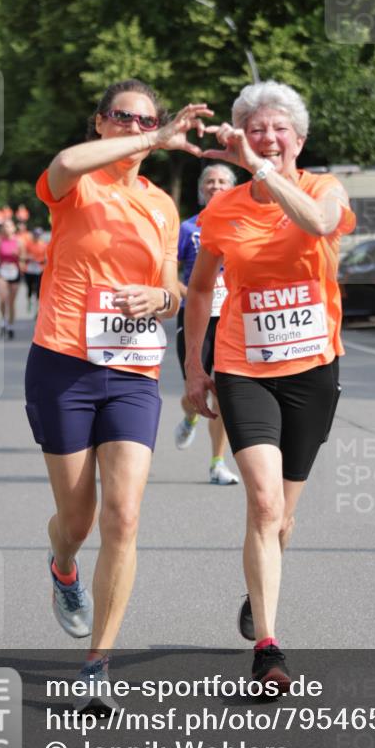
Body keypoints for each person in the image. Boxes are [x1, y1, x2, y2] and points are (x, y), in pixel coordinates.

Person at [24, 79, 211, 706]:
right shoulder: (78, 184)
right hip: (63, 366)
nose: (138, 128)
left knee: (123, 515)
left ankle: (98, 661)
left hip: (131, 370)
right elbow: (61, 164)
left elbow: (172, 286)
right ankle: (63, 566)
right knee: (76, 520)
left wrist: (162, 297)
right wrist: (157, 138)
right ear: (100, 123)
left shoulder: (161, 205)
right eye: (125, 118)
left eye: (149, 121)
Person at [184, 81, 355, 692]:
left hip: (312, 371)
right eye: (255, 128)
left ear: (300, 141)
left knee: (283, 520)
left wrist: (261, 171)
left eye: (280, 128)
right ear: (239, 135)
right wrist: (194, 367)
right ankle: (269, 649)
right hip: (242, 368)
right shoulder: (223, 211)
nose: (268, 137)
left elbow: (315, 225)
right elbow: (201, 288)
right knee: (262, 504)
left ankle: (260, 594)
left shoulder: (323, 190)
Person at [174, 164, 239, 486]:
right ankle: (189, 415)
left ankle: (217, 462)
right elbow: (168, 273)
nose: (216, 186)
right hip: (196, 316)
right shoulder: (187, 229)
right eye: (210, 182)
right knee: (196, 391)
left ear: (233, 188)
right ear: (202, 190)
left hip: (232, 318)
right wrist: (191, 293)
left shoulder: (243, 224)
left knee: (224, 394)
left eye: (223, 182)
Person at [0, 220, 22, 339]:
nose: (7, 228)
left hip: (14, 271)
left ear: (14, 228)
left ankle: (10, 326)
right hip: (2, 271)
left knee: (11, 302)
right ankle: (3, 322)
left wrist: (19, 256)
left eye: (9, 226)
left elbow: (24, 257)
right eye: (5, 226)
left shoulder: (19, 242)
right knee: (3, 298)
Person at [23, 226, 48, 313]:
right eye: (35, 234)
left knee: (38, 289)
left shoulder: (44, 245)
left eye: (39, 235)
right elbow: (23, 255)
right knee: (29, 288)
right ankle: (29, 300)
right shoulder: (28, 244)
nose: (37, 236)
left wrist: (41, 260)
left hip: (39, 269)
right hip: (29, 269)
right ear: (33, 235)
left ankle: (37, 308)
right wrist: (28, 258)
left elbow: (47, 258)